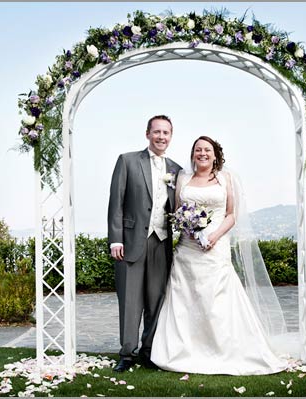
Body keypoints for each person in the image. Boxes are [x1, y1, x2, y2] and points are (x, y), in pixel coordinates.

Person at [150, 136, 298, 375]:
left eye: (207, 150)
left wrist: (214, 236)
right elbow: (178, 211)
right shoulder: (183, 179)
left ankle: (224, 349)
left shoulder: (226, 178)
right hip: (188, 248)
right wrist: (190, 228)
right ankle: (184, 350)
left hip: (216, 247)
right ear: (193, 154)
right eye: (198, 150)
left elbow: (231, 214)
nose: (202, 153)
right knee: (186, 298)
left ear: (215, 154)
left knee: (217, 299)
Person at [107, 115, 182, 372]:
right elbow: (116, 202)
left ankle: (149, 350)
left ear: (171, 136)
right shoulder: (127, 161)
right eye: (157, 132)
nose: (162, 137)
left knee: (155, 300)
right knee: (129, 301)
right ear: (147, 133)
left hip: (161, 242)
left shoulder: (176, 169)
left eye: (166, 133)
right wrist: (115, 238)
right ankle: (127, 354)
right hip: (130, 242)